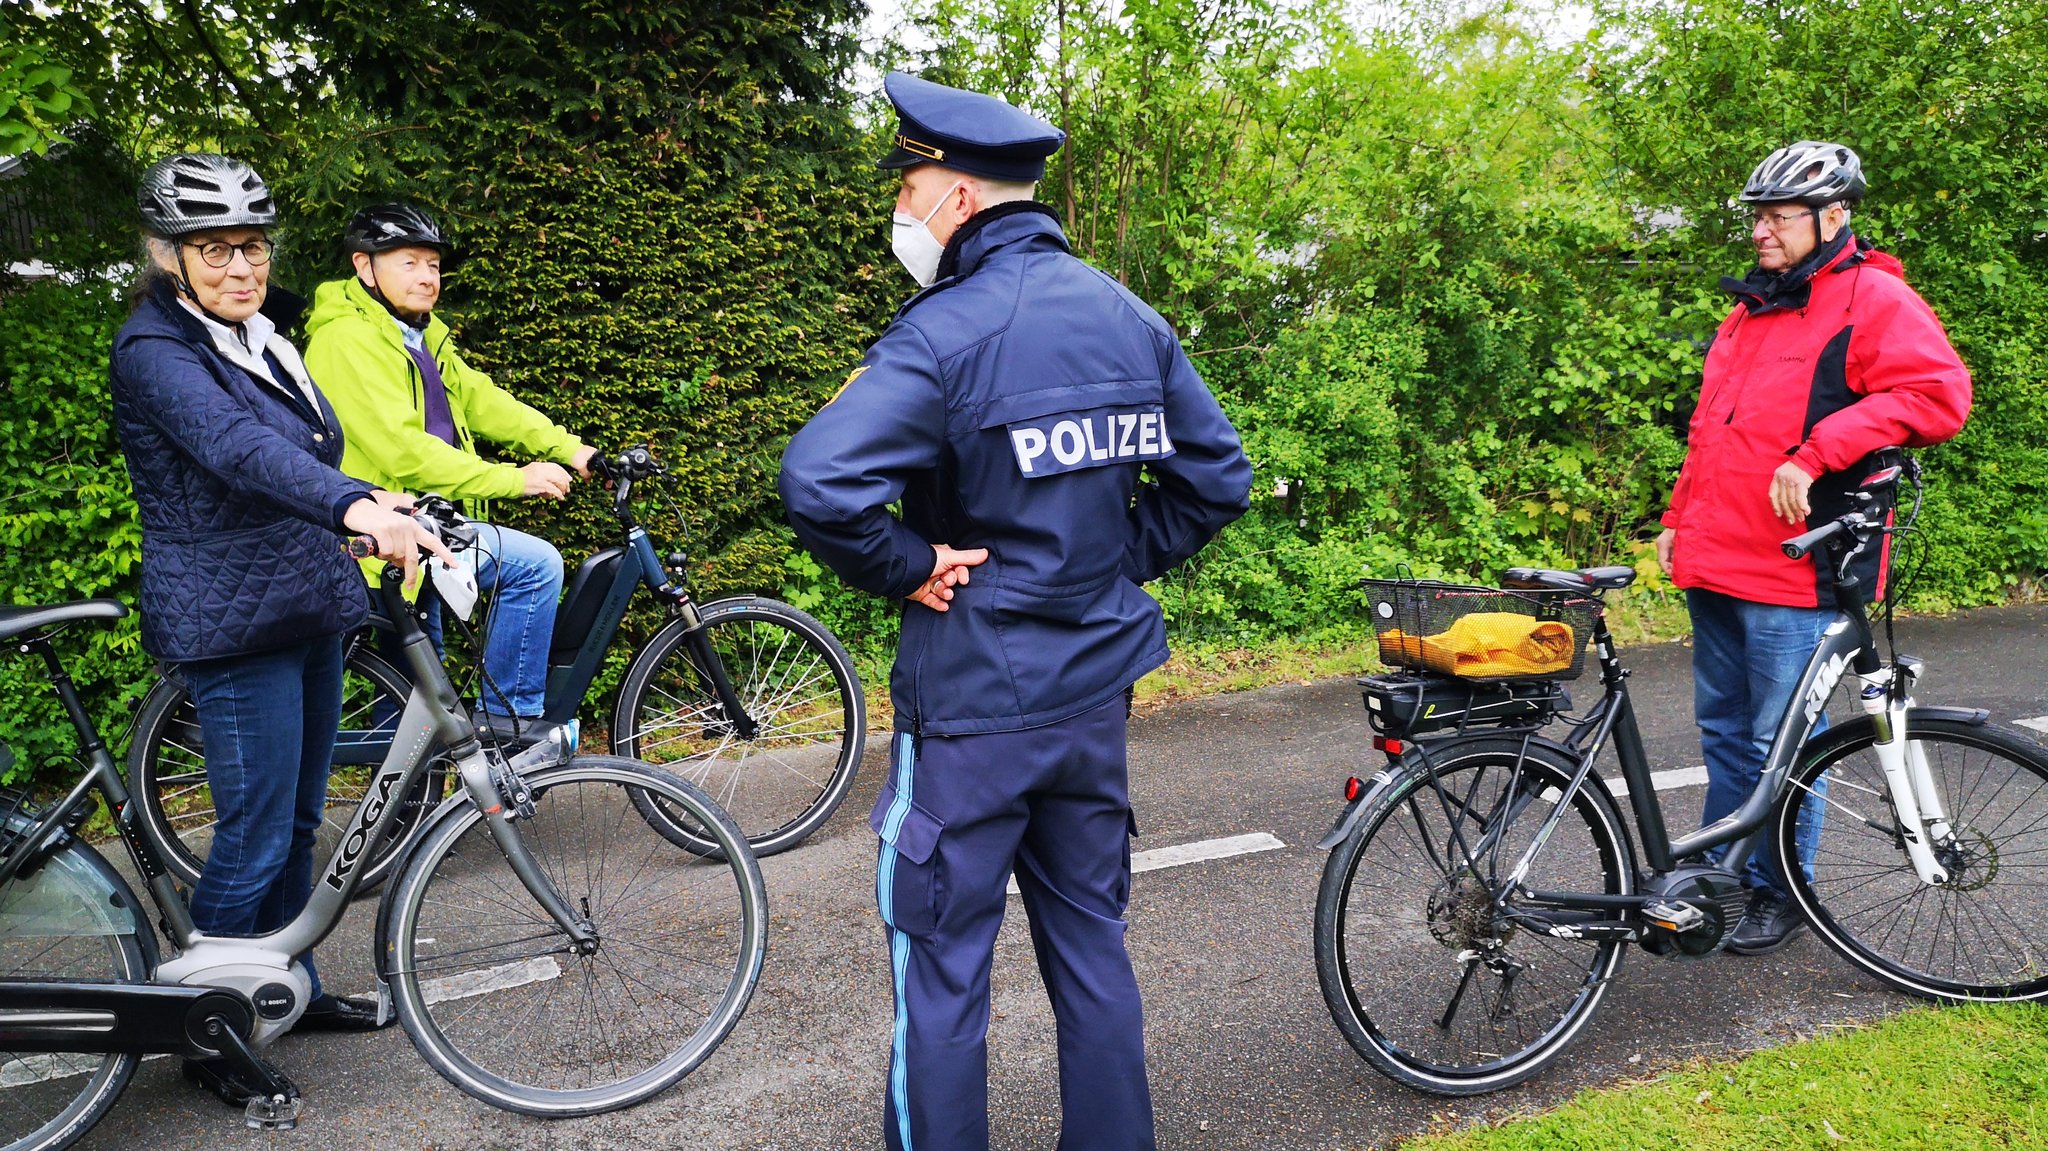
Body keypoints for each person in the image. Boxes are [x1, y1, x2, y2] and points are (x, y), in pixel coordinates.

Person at [779, 73, 1252, 1151]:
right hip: (1090, 702)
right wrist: (1110, 561)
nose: (898, 213)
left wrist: (905, 563)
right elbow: (1215, 477)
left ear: (952, 195)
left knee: (943, 975)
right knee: (1092, 950)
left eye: (905, 191)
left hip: (973, 708)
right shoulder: (1126, 315)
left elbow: (817, 478)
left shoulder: (944, 333)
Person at [111, 153, 452, 1104]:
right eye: (213, 249)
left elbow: (303, 444)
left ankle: (280, 987)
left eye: (251, 246)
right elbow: (237, 449)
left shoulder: (263, 335)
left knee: (302, 822)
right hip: (235, 619)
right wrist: (351, 505)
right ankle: (209, 1028)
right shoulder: (156, 350)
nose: (238, 266)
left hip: (300, 600)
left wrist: (380, 498)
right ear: (169, 256)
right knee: (256, 830)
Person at [1656, 140, 1971, 953]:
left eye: (1780, 216)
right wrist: (1677, 517)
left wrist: (1819, 449)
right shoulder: (1751, 307)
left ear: (1834, 217)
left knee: (1778, 745)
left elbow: (1937, 395)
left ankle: (1779, 892)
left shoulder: (1875, 297)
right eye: (1757, 216)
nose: (1762, 231)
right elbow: (1713, 430)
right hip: (1718, 555)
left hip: (1798, 564)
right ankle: (1724, 878)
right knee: (1725, 733)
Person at [303, 204, 595, 743]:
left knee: (415, 699)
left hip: (426, 528)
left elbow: (483, 400)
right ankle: (512, 727)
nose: (426, 277)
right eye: (409, 262)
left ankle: (408, 812)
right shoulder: (346, 340)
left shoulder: (418, 332)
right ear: (364, 268)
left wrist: (573, 449)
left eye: (433, 265)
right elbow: (403, 452)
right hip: (377, 539)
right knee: (532, 566)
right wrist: (514, 478)